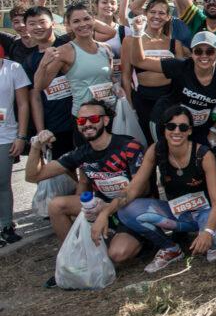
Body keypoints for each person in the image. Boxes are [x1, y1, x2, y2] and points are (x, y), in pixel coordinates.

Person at [94, 105, 216, 273]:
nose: (176, 131)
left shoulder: (203, 155)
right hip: (178, 214)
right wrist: (105, 212)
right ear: (164, 128)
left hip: (207, 212)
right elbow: (132, 190)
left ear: (189, 131)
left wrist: (208, 232)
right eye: (171, 126)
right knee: (127, 210)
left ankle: (210, 242)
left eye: (183, 127)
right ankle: (170, 248)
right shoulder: (156, 150)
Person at [25, 101, 148, 285]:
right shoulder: (81, 153)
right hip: (100, 206)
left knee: (117, 254)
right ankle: (78, 258)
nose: (87, 124)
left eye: (94, 119)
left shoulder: (128, 146)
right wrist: (36, 146)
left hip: (132, 208)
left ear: (105, 121)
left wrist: (108, 210)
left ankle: (142, 241)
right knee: (56, 205)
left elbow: (141, 189)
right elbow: (33, 176)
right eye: (82, 120)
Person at [34, 3, 117, 127]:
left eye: (86, 19)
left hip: (110, 114)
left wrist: (118, 87)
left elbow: (109, 78)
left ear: (94, 20)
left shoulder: (106, 48)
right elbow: (40, 86)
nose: (83, 24)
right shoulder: (64, 51)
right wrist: (43, 64)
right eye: (76, 21)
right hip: (85, 120)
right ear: (69, 25)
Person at [120, 0, 183, 144]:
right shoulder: (130, 40)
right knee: (146, 143)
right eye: (152, 12)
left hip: (168, 98)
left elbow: (181, 76)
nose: (156, 16)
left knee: (168, 142)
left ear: (168, 17)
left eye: (161, 13)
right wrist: (130, 106)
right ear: (145, 14)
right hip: (142, 99)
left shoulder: (175, 43)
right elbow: (126, 75)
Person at [24, 7, 75, 161]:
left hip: (82, 121)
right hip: (55, 128)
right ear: (26, 28)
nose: (38, 27)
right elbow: (35, 98)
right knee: (64, 177)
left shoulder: (70, 45)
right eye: (32, 24)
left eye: (42, 22)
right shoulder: (29, 61)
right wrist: (41, 132)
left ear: (53, 23)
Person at [0, 49, 30, 245]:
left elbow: (23, 104)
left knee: (2, 183)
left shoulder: (13, 68)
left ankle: (6, 225)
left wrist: (21, 136)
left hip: (5, 136)